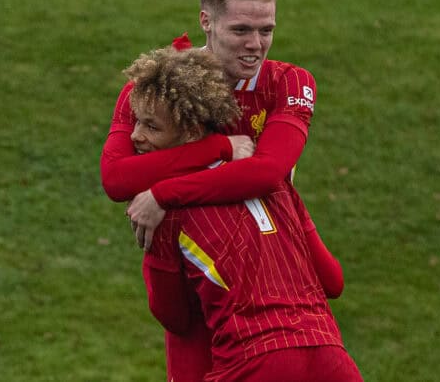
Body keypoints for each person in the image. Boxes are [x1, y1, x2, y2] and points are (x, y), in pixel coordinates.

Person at [100, 0, 346, 380]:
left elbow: (266, 173)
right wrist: (221, 148)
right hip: (206, 293)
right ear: (205, 22)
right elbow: (117, 180)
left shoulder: (288, 81)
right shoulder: (154, 89)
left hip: (274, 261)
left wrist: (163, 194)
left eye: (266, 30)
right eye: (241, 30)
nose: (256, 44)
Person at [123, 45, 363, 381]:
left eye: (151, 126)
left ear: (191, 132)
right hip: (329, 357)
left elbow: (174, 317)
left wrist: (154, 253)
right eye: (137, 122)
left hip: (253, 362)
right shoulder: (277, 185)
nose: (136, 135)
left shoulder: (166, 211)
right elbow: (333, 281)